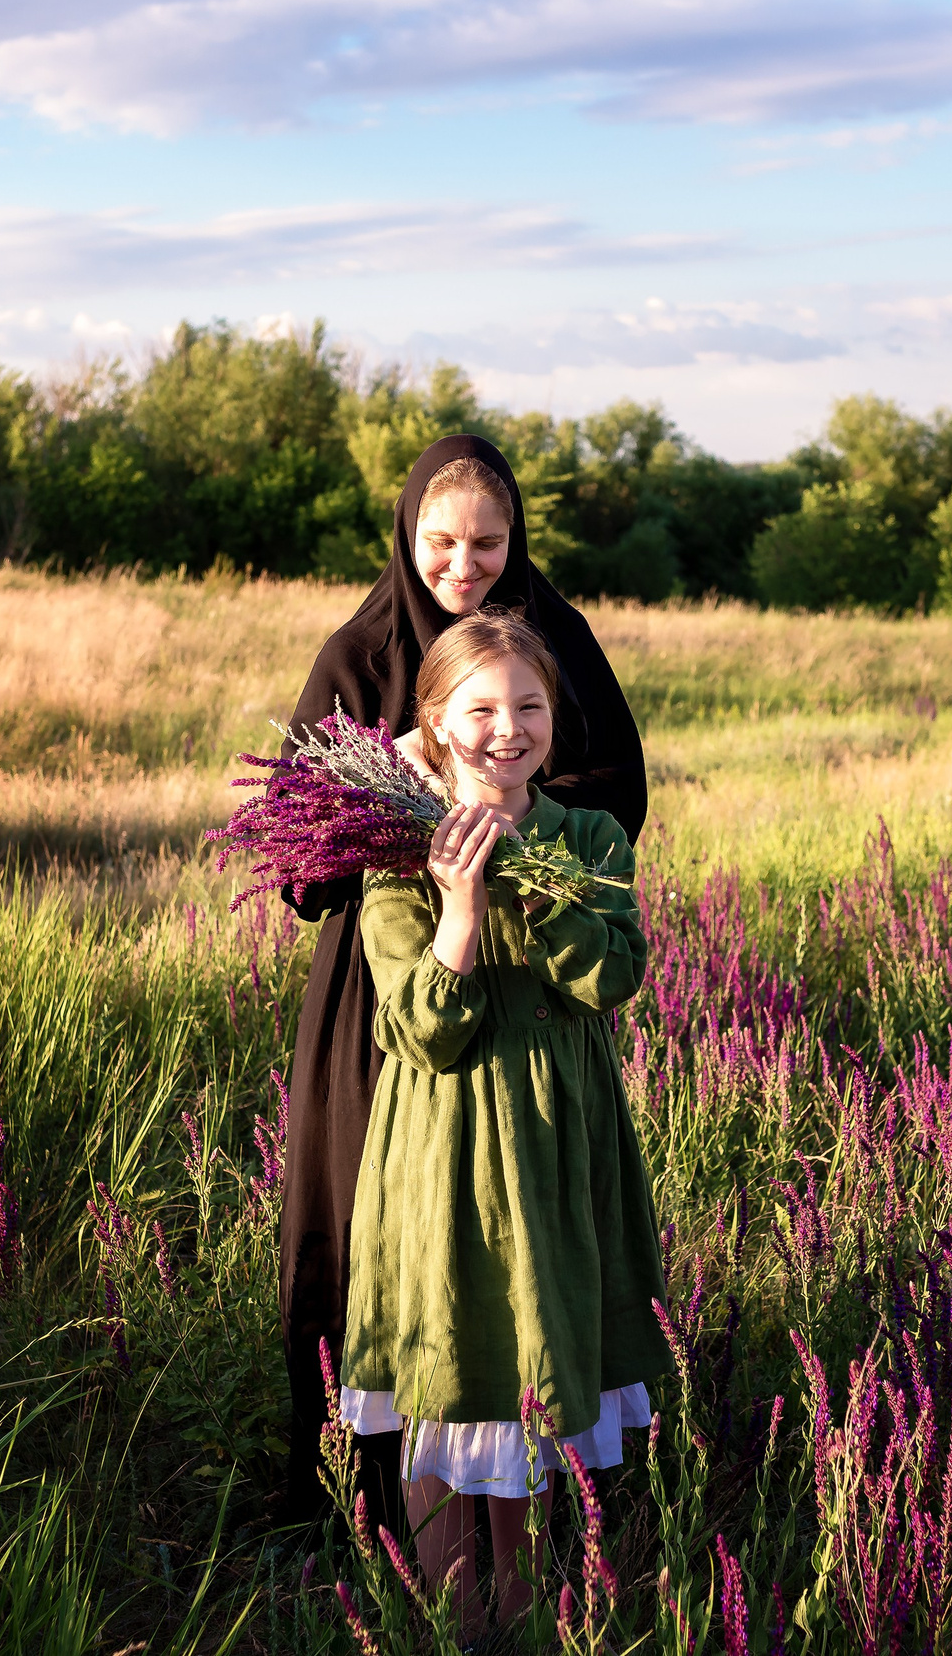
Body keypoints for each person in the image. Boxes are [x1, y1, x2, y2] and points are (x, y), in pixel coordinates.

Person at [276, 436, 648, 1531]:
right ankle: (371, 1505)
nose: (465, 563)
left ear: (514, 537)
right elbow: (299, 851)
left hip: (543, 972)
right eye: (442, 541)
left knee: (538, 1232)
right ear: (406, 536)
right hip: (391, 984)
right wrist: (406, 823)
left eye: (487, 541)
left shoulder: (559, 641)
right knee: (377, 1225)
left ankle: (561, 1498)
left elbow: (612, 795)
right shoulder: (357, 651)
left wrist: (509, 829)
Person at [340, 608, 669, 1638]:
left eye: (527, 704)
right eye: (478, 706)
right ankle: (447, 1616)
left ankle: (523, 1617)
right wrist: (463, 910)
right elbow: (422, 1031)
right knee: (452, 1354)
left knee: (537, 1351)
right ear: (433, 721)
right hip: (442, 1146)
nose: (507, 727)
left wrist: (528, 876)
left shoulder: (590, 835)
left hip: (559, 1139)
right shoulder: (396, 854)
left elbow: (610, 972)